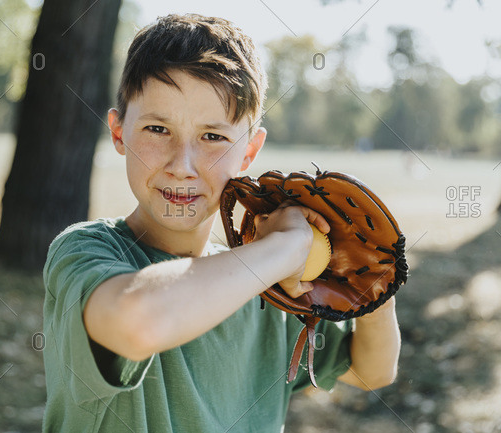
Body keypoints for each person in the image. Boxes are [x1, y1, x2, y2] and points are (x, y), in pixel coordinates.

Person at [41, 13, 401, 432]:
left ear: (249, 152)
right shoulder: (86, 252)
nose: (182, 165)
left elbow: (372, 371)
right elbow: (139, 323)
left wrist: (375, 282)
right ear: (119, 133)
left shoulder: (267, 289)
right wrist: (287, 247)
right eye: (158, 129)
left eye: (212, 137)